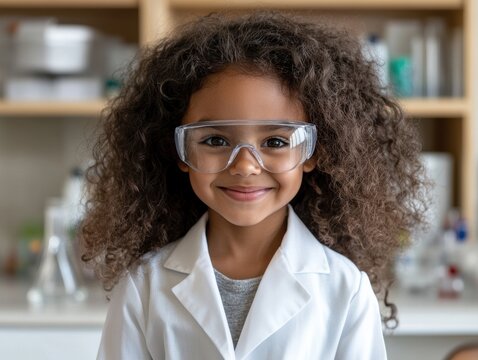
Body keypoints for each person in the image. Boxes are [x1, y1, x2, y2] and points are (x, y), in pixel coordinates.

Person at [81, 11, 426, 360]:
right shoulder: (144, 287)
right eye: (215, 140)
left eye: (275, 142)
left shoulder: (345, 289)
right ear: (178, 151)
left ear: (313, 153)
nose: (245, 166)